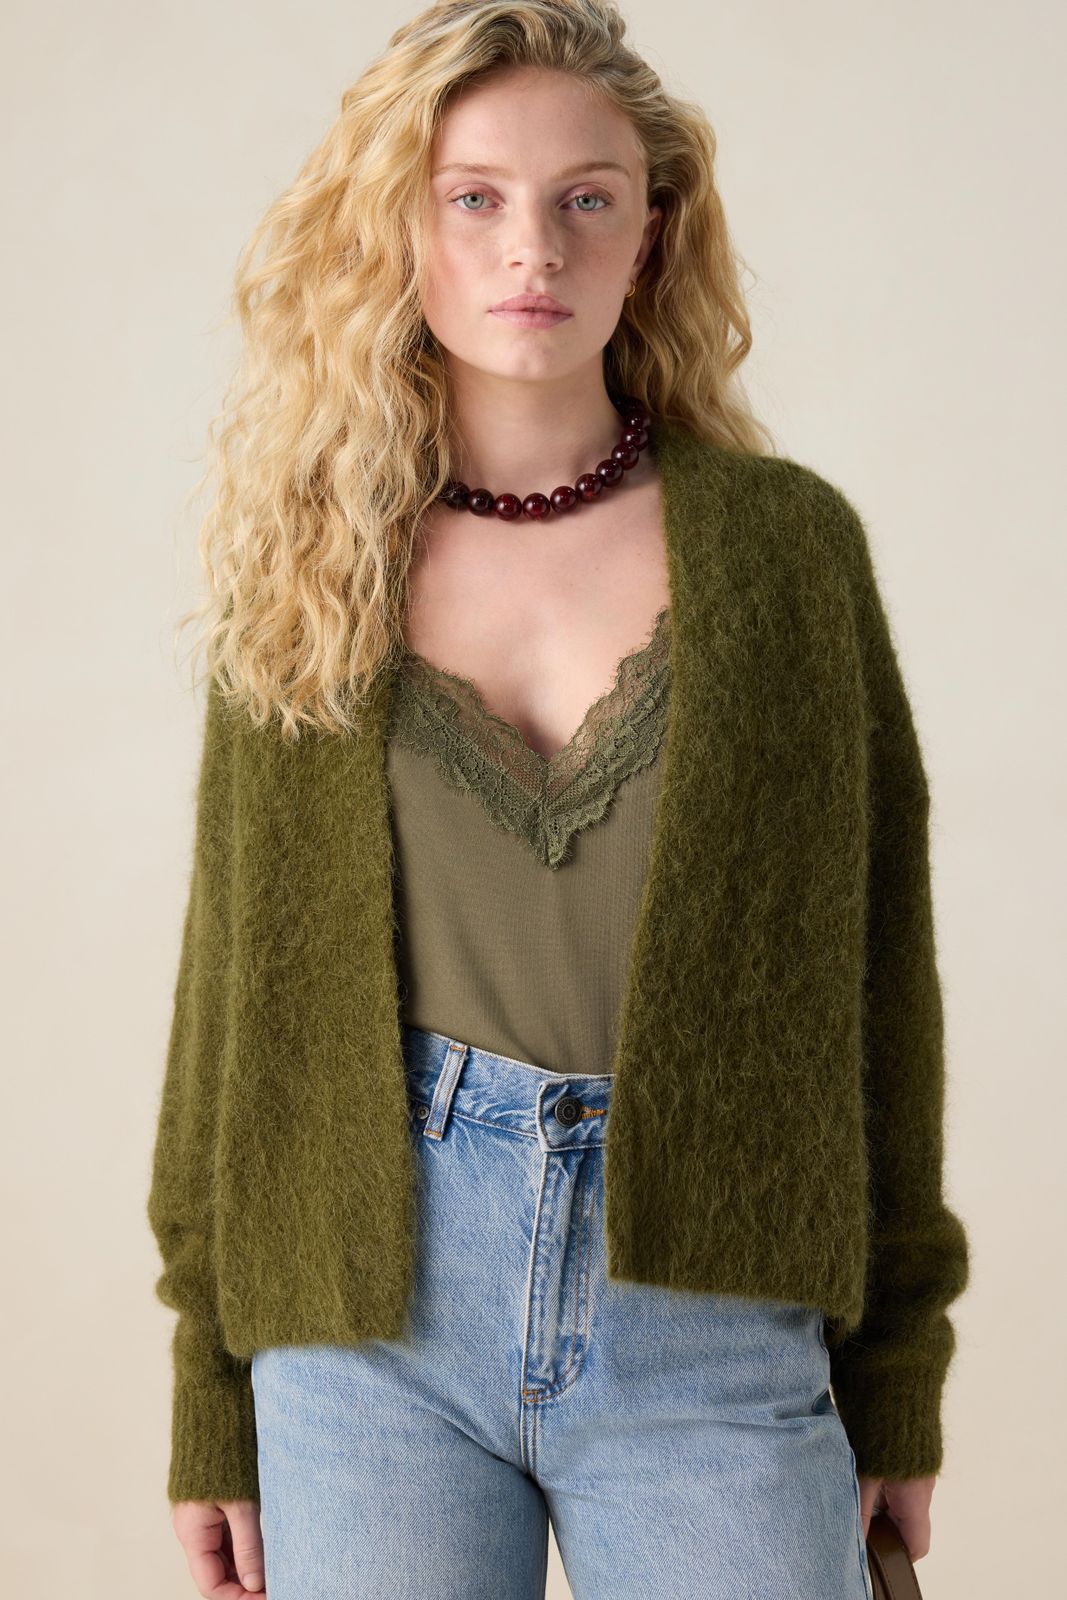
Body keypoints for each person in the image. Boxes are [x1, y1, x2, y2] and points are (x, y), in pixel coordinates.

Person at [146, 3, 970, 1597]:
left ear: (651, 231)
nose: (535, 245)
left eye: (588, 196)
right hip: (364, 1322)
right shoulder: (311, 569)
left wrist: (896, 1371)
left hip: (712, 1310)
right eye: (475, 196)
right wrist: (209, 1391)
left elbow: (880, 970)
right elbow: (228, 993)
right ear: (401, 227)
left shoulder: (785, 551)